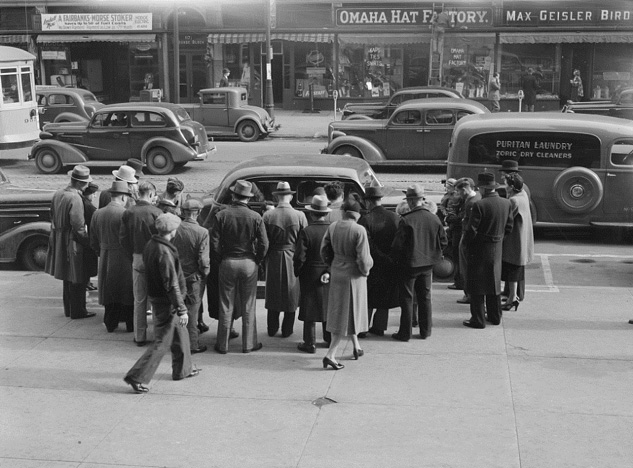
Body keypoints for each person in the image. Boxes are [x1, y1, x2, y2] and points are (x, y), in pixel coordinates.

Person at [123, 213, 199, 394]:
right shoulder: (164, 252)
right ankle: (138, 376)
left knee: (180, 333)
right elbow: (171, 283)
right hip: (167, 302)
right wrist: (181, 309)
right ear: (172, 230)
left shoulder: (151, 245)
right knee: (162, 341)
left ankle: (184, 368)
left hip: (159, 299)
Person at [209, 180, 269, 354]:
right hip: (248, 262)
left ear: (233, 196)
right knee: (248, 304)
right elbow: (264, 244)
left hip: (228, 261)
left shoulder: (221, 215)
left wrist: (221, 259)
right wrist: (257, 260)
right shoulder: (255, 217)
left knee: (225, 303)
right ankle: (248, 344)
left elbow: (214, 243)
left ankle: (222, 344)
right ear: (248, 199)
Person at [321, 199, 373, 370]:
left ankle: (356, 346)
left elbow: (324, 250)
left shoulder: (333, 226)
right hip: (354, 275)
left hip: (337, 271)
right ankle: (330, 355)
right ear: (357, 214)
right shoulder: (359, 230)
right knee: (348, 314)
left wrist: (331, 265)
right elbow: (364, 259)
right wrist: (365, 271)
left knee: (341, 311)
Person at [391, 184, 447, 341]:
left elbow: (397, 246)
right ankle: (425, 331)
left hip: (409, 265)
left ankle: (405, 333)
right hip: (428, 264)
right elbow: (443, 241)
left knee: (407, 299)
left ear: (409, 201)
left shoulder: (406, 220)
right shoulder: (434, 218)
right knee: (425, 298)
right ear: (422, 199)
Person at [462, 172, 514, 329]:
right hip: (496, 249)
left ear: (484, 188)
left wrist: (466, 244)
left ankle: (477, 319)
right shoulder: (506, 203)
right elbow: (509, 227)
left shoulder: (480, 205)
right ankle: (495, 315)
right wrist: (498, 239)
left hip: (479, 249)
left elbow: (471, 230)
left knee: (477, 286)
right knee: (494, 284)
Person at [45, 165, 96, 319]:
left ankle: (69, 309)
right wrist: (89, 243)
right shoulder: (75, 198)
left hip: (58, 237)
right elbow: (79, 226)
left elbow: (52, 215)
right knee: (77, 276)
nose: (87, 186)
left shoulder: (58, 193)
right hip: (71, 241)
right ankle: (78, 310)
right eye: (86, 182)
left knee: (66, 276)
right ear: (81, 183)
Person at [119, 181, 163, 346]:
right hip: (154, 258)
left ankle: (140, 336)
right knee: (157, 298)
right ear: (151, 194)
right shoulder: (157, 212)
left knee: (139, 300)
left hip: (137, 256)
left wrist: (132, 255)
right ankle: (159, 334)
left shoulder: (129, 212)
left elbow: (123, 239)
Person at [263, 181, 308, 338]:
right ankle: (287, 329)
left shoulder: (268, 215)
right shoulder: (300, 216)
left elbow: (264, 241)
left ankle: (272, 327)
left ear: (276, 197)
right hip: (292, 257)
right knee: (291, 293)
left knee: (273, 291)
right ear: (290, 196)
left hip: (274, 256)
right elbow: (304, 242)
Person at [90, 181, 134, 333]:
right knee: (126, 291)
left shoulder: (98, 213)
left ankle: (110, 322)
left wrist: (100, 252)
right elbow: (129, 238)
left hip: (105, 255)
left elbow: (93, 239)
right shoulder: (125, 214)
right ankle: (129, 323)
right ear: (123, 197)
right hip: (123, 256)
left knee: (109, 290)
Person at [357, 186, 400, 338]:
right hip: (390, 262)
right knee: (385, 296)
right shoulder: (394, 217)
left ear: (367, 202)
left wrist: (379, 256)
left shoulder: (366, 219)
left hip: (372, 262)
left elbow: (365, 244)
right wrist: (390, 258)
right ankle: (380, 327)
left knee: (367, 296)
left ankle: (363, 327)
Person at [293, 195, 332, 353]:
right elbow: (335, 254)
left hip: (310, 272)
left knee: (309, 307)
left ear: (312, 213)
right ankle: (328, 339)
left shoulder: (306, 232)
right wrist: (329, 271)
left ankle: (310, 342)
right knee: (327, 306)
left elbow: (299, 256)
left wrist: (298, 271)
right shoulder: (332, 229)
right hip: (327, 271)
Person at [172, 199, 210, 354]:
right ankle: (192, 343)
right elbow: (203, 259)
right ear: (198, 213)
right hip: (194, 277)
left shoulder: (175, 228)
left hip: (177, 275)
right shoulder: (202, 232)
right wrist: (204, 273)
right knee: (193, 311)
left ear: (183, 212)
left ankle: (176, 340)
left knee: (178, 309)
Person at [501, 174, 534, 311]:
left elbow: (507, 220)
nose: (504, 186)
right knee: (514, 269)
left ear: (512, 186)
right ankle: (512, 296)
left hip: (515, 240)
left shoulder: (513, 200)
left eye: (506, 183)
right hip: (522, 237)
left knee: (512, 270)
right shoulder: (523, 194)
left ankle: (512, 298)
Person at [454, 178, 481, 305]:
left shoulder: (471, 203)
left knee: (465, 266)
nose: (458, 195)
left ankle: (468, 294)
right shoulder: (477, 197)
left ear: (465, 189)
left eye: (459, 192)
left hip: (466, 237)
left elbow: (470, 224)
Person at [81, 182, 100, 292]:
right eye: (93, 194)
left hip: (88, 234)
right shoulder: (88, 206)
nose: (94, 196)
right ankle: (86, 282)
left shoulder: (84, 203)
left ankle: (86, 282)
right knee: (88, 262)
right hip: (89, 236)